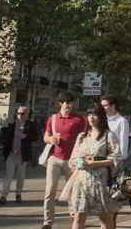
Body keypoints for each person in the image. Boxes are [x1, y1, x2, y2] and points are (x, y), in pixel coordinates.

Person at [60, 104, 120, 229]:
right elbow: (72, 159)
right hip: (81, 180)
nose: (91, 118)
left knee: (104, 217)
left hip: (100, 182)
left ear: (101, 117)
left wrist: (95, 162)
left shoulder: (109, 135)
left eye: (95, 114)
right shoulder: (82, 136)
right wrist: (79, 161)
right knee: (78, 217)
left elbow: (116, 158)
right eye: (89, 115)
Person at [42, 92, 86, 229]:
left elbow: (85, 138)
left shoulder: (79, 119)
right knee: (50, 191)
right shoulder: (53, 118)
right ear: (61, 103)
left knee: (73, 191)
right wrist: (50, 139)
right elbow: (45, 136)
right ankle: (47, 222)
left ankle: (75, 217)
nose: (69, 105)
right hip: (54, 159)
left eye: (71, 103)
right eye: (67, 102)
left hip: (72, 160)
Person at [0, 106, 39, 205]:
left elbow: (36, 137)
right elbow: (4, 137)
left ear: (27, 115)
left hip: (22, 154)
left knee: (20, 176)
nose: (19, 115)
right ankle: (3, 196)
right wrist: (3, 134)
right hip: (11, 153)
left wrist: (26, 136)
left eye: (22, 113)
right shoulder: (11, 125)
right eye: (18, 113)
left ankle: (18, 194)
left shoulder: (31, 125)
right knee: (8, 175)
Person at [100, 96, 129, 166]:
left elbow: (123, 140)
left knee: (123, 176)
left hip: (115, 157)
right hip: (101, 155)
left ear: (113, 106)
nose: (102, 108)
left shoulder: (122, 121)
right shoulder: (101, 119)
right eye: (101, 106)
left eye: (105, 105)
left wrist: (122, 158)